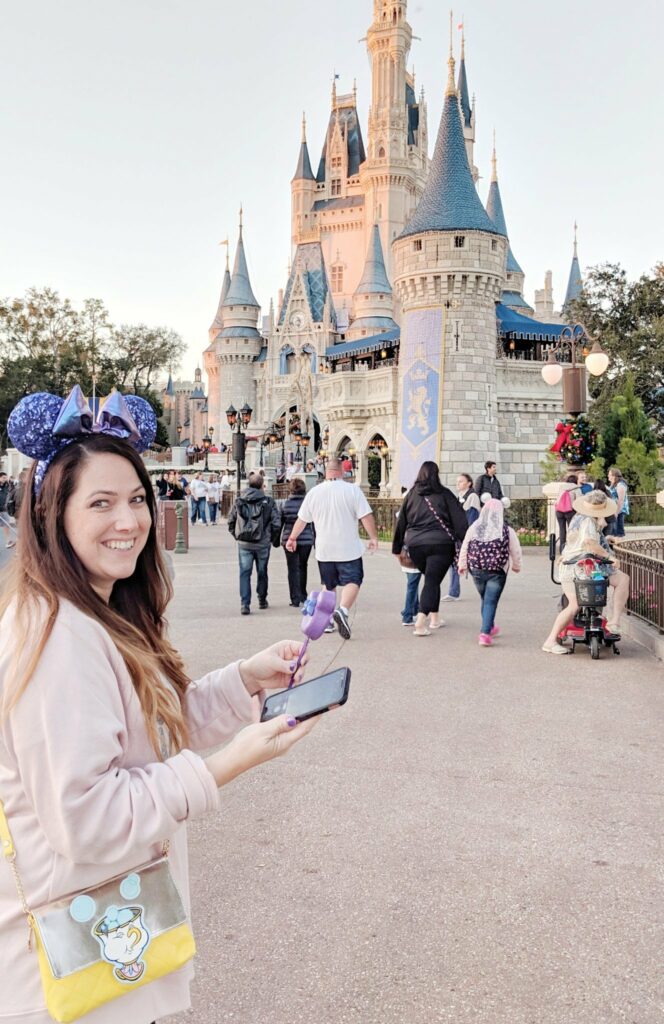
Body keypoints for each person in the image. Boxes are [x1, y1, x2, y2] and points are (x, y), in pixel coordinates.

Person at [0, 387, 318, 1024]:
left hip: (97, 948)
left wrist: (245, 680)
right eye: (101, 503)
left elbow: (144, 730)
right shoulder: (60, 634)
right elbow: (84, 819)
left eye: (138, 499)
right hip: (62, 976)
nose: (131, 521)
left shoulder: (99, 610)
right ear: (49, 516)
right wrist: (226, 764)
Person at [285, 458, 378, 639]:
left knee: (328, 584)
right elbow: (366, 515)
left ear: (326, 472)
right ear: (342, 472)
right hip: (348, 547)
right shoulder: (352, 490)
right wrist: (373, 537)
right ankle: (342, 611)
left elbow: (302, 519)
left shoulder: (314, 492)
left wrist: (292, 538)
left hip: (324, 549)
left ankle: (326, 620)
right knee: (353, 580)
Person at [541, 489, 630, 653]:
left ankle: (552, 639)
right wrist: (610, 557)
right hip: (583, 567)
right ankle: (614, 621)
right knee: (622, 580)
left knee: (574, 605)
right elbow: (589, 542)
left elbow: (581, 540)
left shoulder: (578, 517)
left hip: (572, 566)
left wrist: (604, 540)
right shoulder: (589, 521)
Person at [392, 461, 468, 636]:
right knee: (432, 581)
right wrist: (466, 542)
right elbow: (460, 521)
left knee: (431, 579)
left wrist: (397, 549)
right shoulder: (445, 494)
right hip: (441, 545)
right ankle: (420, 622)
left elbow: (401, 523)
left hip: (416, 546)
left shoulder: (411, 495)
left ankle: (435, 618)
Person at [457, 498, 522, 646]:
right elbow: (515, 550)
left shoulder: (475, 527)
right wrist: (516, 565)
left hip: (477, 569)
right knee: (490, 601)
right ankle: (485, 633)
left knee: (485, 599)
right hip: (497, 571)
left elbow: (465, 546)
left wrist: (462, 564)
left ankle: (490, 626)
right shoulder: (506, 530)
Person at [228, 472, 281, 614]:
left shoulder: (239, 501)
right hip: (263, 543)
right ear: (262, 485)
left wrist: (237, 536)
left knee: (244, 573)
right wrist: (271, 538)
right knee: (262, 571)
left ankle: (245, 603)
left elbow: (231, 521)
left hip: (244, 543)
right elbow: (276, 523)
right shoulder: (268, 502)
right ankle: (262, 599)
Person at [442, 473, 481, 601]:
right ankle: (453, 592)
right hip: (457, 536)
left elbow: (472, 518)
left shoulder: (472, 496)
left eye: (461, 481)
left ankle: (485, 587)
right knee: (455, 563)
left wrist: (466, 537)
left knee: (470, 564)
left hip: (466, 536)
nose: (457, 483)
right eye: (457, 481)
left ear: (469, 483)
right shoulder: (459, 497)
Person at [280, 478, 314, 607]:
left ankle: (294, 598)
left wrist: (277, 539)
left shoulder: (285, 504)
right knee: (303, 566)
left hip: (289, 538)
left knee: (292, 568)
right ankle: (303, 595)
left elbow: (280, 522)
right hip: (306, 539)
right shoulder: (308, 504)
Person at [554, 473, 579, 552]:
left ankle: (562, 549)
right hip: (570, 512)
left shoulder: (562, 487)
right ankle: (571, 549)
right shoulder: (576, 488)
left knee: (562, 530)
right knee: (572, 530)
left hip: (559, 511)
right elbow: (579, 501)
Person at [608, 466, 629, 538]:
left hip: (619, 511)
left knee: (618, 531)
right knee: (614, 531)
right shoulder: (614, 484)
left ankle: (619, 547)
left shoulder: (620, 485)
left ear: (614, 476)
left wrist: (616, 512)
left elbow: (621, 500)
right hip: (613, 510)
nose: (608, 476)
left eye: (610, 474)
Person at [0, 472, 15, 549]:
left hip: (4, 509)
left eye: (6, 478)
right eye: (3, 478)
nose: (5, 479)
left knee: (6, 525)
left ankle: (8, 541)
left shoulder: (7, 485)